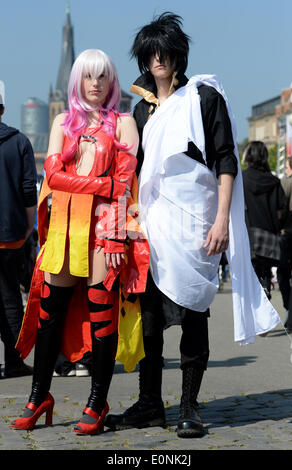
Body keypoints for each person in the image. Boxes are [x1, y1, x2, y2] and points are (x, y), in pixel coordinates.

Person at [105, 13, 281, 438]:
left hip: (196, 222)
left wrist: (222, 217)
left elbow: (225, 159)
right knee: (147, 317)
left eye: (164, 50)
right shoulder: (141, 110)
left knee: (195, 311)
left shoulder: (203, 97)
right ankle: (149, 403)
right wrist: (125, 221)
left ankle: (188, 405)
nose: (157, 58)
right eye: (150, 51)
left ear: (177, 52)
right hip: (151, 225)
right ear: (144, 57)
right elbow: (135, 171)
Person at [11, 49, 148, 435]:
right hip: (64, 231)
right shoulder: (62, 122)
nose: (95, 84)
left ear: (111, 82)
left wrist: (118, 237)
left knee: (103, 320)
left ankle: (97, 402)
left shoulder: (122, 123)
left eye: (102, 76)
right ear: (77, 81)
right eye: (88, 76)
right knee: (47, 319)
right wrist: (101, 183)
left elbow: (124, 188)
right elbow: (52, 176)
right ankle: (39, 397)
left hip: (104, 231)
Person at [0, 80, 37, 379]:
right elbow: (28, 189)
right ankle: (13, 361)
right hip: (10, 234)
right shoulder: (19, 141)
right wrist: (28, 225)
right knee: (10, 296)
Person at [242, 141, 287, 300]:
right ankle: (265, 292)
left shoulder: (242, 179)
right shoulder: (273, 181)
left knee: (249, 277)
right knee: (265, 273)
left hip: (247, 235)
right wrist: (277, 226)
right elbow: (283, 208)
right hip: (269, 237)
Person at [277, 155, 292, 332]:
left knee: (283, 274)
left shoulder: (287, 183)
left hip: (288, 233)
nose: (285, 171)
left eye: (287, 167)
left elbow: (281, 208)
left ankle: (289, 308)